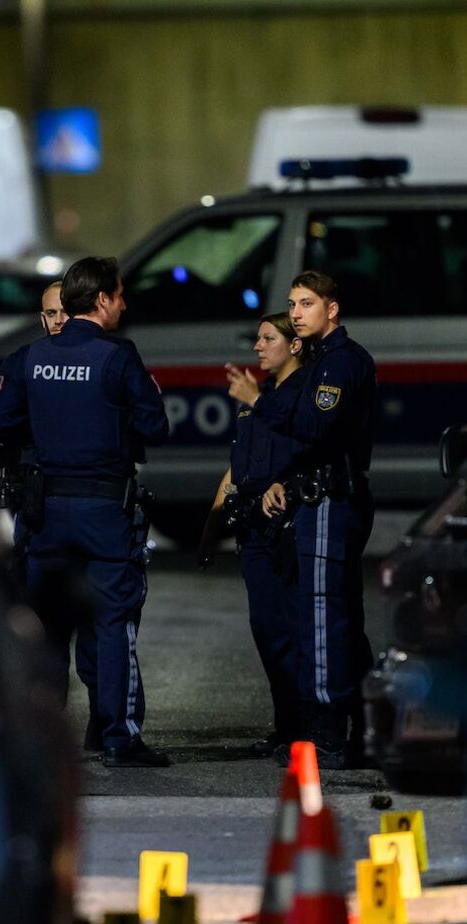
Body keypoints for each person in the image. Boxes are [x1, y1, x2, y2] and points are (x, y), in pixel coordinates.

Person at [0, 256, 171, 767]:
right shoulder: (118, 356)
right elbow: (155, 427)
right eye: (119, 295)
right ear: (101, 300)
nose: (124, 305)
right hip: (104, 511)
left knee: (45, 628)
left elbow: (2, 424)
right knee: (113, 622)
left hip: (45, 511)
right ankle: (118, 738)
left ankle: (43, 740)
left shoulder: (29, 357)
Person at [238, 271, 377, 769]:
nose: (296, 313)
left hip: (330, 500)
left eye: (306, 303)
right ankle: (363, 726)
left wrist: (259, 402)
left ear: (331, 309)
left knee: (321, 617)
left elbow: (316, 426)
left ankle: (327, 735)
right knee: (338, 617)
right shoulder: (320, 359)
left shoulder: (339, 361)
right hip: (318, 495)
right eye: (292, 304)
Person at [0, 282, 113, 753]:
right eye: (49, 314)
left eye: (63, 311)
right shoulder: (22, 361)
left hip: (84, 502)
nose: (58, 321)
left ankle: (104, 728)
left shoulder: (102, 355)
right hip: (39, 504)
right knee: (45, 628)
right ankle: (51, 729)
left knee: (99, 623)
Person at [203, 313, 309, 758]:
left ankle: (306, 730)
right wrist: (209, 529)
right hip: (252, 532)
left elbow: (308, 453)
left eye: (268, 338)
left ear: (294, 345)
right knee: (266, 629)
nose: (258, 346)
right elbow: (236, 470)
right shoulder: (257, 398)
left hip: (287, 529)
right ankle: (286, 728)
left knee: (292, 630)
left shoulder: (302, 397)